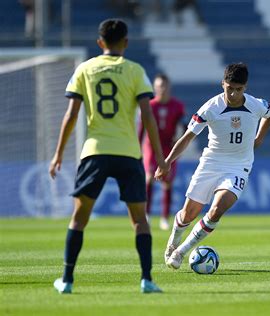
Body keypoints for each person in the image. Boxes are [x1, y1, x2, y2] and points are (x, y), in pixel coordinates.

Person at [49, 18, 167, 294]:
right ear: (126, 42)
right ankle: (147, 279)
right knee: (140, 220)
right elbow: (147, 115)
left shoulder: (85, 69)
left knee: (79, 218)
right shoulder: (135, 71)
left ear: (100, 42)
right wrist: (160, 158)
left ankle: (66, 280)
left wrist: (58, 155)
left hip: (95, 152)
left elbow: (71, 115)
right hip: (128, 152)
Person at [155, 62, 270, 269]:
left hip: (239, 166)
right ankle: (173, 241)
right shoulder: (211, 108)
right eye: (230, 88)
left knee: (217, 208)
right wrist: (167, 162)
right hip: (211, 163)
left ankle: (181, 252)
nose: (235, 94)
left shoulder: (255, 104)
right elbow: (187, 137)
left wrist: (259, 137)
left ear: (245, 87)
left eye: (239, 89)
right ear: (223, 84)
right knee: (188, 214)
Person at [138, 74, 186, 230]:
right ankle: (147, 215)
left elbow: (184, 127)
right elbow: (141, 129)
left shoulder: (178, 106)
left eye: (164, 86)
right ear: (154, 88)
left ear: (169, 87)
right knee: (149, 178)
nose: (162, 89)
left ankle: (164, 218)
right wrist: (137, 149)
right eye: (159, 86)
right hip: (151, 146)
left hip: (169, 148)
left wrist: (181, 136)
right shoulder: (150, 105)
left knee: (167, 181)